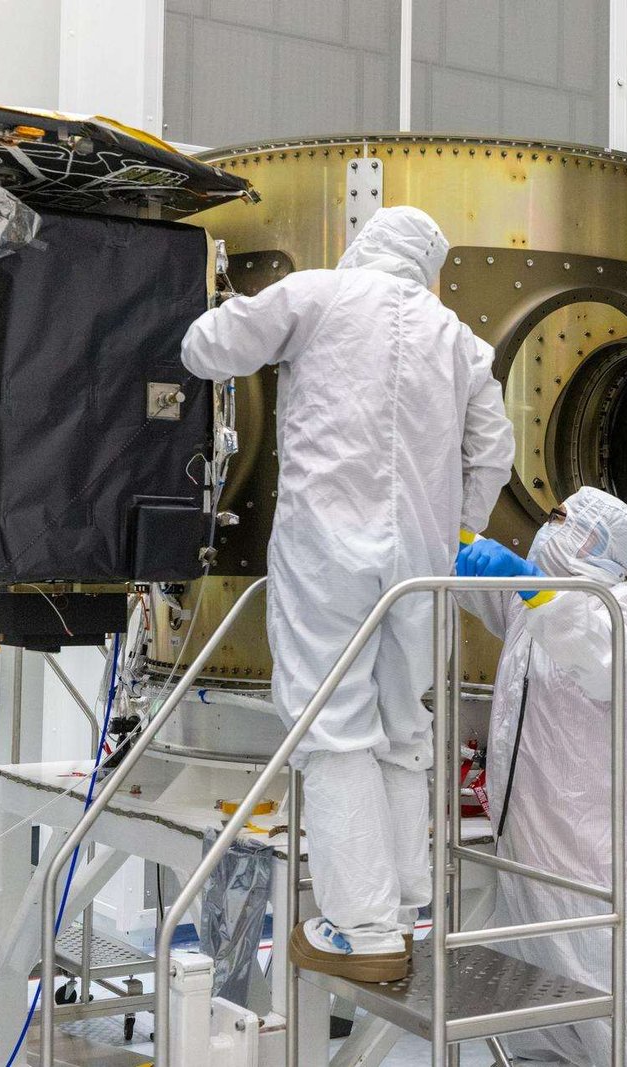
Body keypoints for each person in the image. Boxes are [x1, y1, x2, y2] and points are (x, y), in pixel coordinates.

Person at [181, 206, 514, 982]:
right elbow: (494, 452)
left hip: (326, 548)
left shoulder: (319, 294)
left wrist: (200, 305)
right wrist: (453, 526)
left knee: (332, 726)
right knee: (401, 722)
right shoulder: (458, 339)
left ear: (365, 243)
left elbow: (207, 348)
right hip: (421, 564)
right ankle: (400, 905)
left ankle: (361, 926)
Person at [454, 486, 627, 1066]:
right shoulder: (531, 607)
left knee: (613, 991)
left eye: (558, 518)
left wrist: (533, 586)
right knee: (538, 992)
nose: (544, 526)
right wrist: (447, 529)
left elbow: (596, 651)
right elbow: (484, 585)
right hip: (528, 838)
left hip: (594, 849)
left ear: (590, 541)